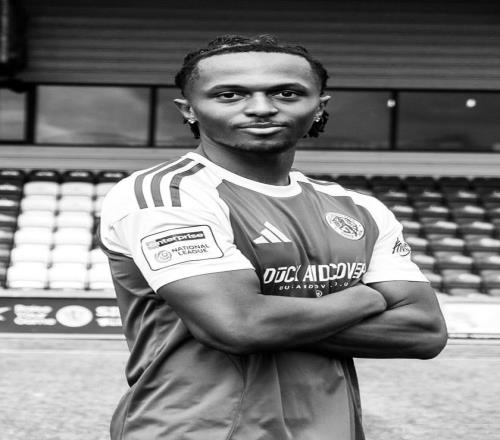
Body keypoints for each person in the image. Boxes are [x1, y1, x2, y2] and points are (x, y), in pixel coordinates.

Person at [99, 34, 448, 440]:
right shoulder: (166, 194)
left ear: (319, 106)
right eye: (229, 95)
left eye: (286, 93)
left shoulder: (359, 208)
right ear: (189, 109)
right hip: (197, 429)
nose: (261, 108)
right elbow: (237, 325)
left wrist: (271, 320)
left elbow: (423, 332)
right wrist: (364, 298)